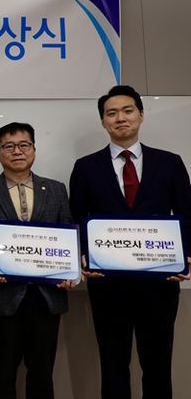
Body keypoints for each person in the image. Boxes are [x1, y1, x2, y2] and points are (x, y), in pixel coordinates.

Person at [69, 85, 191, 399]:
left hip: (160, 283)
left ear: (141, 115)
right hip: (107, 284)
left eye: (127, 111)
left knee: (158, 366)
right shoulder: (85, 167)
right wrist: (82, 256)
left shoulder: (170, 163)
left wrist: (186, 257)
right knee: (113, 366)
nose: (120, 118)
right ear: (103, 121)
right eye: (111, 113)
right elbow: (77, 219)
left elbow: (186, 214)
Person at [0, 122, 74, 399]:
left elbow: (68, 235)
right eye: (9, 146)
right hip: (2, 296)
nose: (17, 151)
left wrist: (70, 270)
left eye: (24, 145)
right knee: (3, 375)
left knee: (42, 374)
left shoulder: (57, 189)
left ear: (34, 149)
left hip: (46, 296)